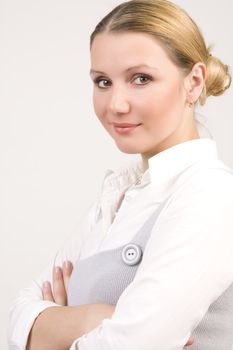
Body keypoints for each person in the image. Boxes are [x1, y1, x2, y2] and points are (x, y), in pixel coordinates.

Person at [8, 0, 233, 349]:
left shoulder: (210, 194)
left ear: (194, 82)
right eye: (103, 82)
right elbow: (16, 320)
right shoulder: (118, 196)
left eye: (140, 78)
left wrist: (55, 325)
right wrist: (93, 318)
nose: (116, 104)